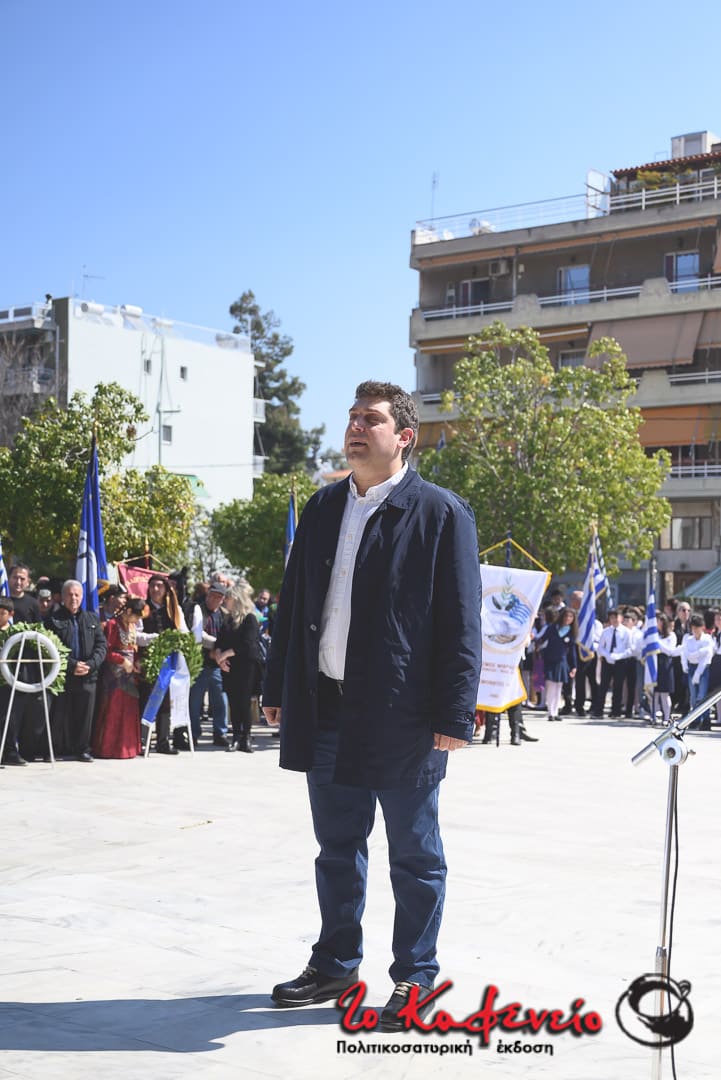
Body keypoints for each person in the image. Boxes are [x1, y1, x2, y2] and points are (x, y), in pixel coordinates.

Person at [263, 380, 482, 1031]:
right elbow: (293, 603)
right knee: (336, 847)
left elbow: (461, 622)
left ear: (404, 436)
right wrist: (276, 688)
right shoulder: (324, 506)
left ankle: (416, 978)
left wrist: (454, 714)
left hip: (403, 719)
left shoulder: (440, 513)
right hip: (326, 709)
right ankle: (335, 963)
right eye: (353, 416)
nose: (356, 427)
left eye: (372, 419)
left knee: (414, 855)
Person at [44, 580, 106, 761]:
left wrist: (91, 664)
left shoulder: (92, 618)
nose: (73, 598)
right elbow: (49, 648)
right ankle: (53, 749)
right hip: (63, 675)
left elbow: (101, 646)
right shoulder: (52, 620)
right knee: (58, 714)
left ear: (82, 597)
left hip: (88, 675)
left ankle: (82, 749)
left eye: (77, 595)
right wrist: (72, 665)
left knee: (85, 715)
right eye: (70, 594)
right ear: (62, 597)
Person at [138, 575, 188, 754]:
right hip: (148, 661)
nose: (155, 589)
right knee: (147, 699)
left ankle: (163, 742)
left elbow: (184, 632)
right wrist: (155, 639)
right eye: (152, 586)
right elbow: (136, 635)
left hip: (170, 662)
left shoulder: (174, 608)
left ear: (166, 589)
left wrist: (177, 639)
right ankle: (142, 742)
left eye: (159, 586)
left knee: (166, 702)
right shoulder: (142, 608)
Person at [93, 598, 146, 759]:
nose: (137, 621)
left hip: (129, 675)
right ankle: (108, 748)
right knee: (114, 709)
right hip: (114, 674)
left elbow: (133, 649)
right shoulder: (112, 625)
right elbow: (107, 651)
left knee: (129, 709)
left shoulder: (131, 626)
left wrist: (137, 662)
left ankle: (127, 748)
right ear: (128, 611)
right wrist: (122, 661)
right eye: (136, 616)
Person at [216, 581, 264, 753]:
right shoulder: (227, 619)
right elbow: (219, 641)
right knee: (233, 702)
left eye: (227, 597)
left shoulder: (250, 618)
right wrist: (220, 658)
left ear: (236, 599)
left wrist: (225, 654)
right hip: (231, 667)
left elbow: (248, 644)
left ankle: (246, 737)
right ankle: (236, 737)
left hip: (247, 667)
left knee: (244, 702)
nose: (225, 600)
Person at [189, 582, 230, 747]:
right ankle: (193, 734)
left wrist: (219, 650)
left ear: (223, 599)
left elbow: (227, 636)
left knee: (220, 700)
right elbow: (197, 635)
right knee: (194, 701)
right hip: (199, 663)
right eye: (212, 595)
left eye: (219, 597)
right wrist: (216, 647)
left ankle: (220, 733)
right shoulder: (197, 611)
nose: (215, 599)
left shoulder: (224, 615)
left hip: (217, 664)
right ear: (208, 594)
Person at [537, 605, 577, 722]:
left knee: (559, 687)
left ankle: (556, 711)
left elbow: (572, 651)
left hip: (562, 661)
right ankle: (550, 712)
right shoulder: (553, 627)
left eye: (571, 617)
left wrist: (574, 666)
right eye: (566, 616)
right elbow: (542, 639)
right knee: (550, 686)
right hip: (550, 660)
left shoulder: (571, 631)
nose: (568, 618)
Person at [681, 613, 714, 730]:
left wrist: (698, 673)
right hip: (691, 667)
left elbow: (706, 657)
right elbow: (687, 654)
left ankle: (706, 720)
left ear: (702, 627)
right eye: (693, 627)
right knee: (693, 696)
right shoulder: (689, 640)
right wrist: (698, 654)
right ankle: (695, 719)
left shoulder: (707, 639)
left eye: (697, 627)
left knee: (702, 696)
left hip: (703, 669)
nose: (695, 630)